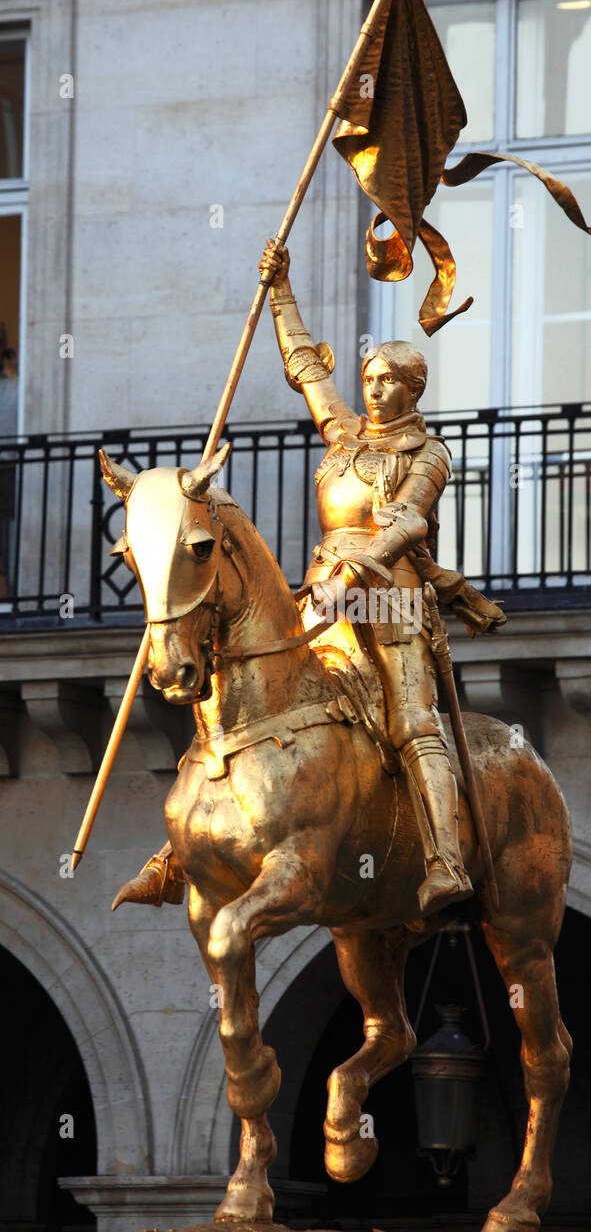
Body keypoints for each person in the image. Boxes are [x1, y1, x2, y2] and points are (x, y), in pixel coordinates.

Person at [113, 242, 505, 915]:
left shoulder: (429, 452)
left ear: (413, 389)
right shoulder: (345, 436)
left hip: (393, 598)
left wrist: (358, 566)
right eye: (370, 376)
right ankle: (181, 853)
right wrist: (281, 290)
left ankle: (444, 858)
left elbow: (409, 521)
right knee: (241, 693)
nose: (374, 387)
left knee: (413, 721)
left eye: (388, 379)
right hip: (324, 591)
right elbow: (304, 370)